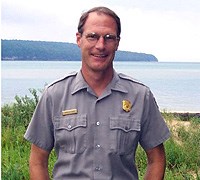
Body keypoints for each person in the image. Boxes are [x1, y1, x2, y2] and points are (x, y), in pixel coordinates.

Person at [24, 6, 170, 180]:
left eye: (108, 38)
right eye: (92, 36)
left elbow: (157, 159)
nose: (100, 45)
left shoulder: (140, 96)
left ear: (117, 43)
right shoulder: (54, 95)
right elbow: (37, 161)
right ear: (79, 39)